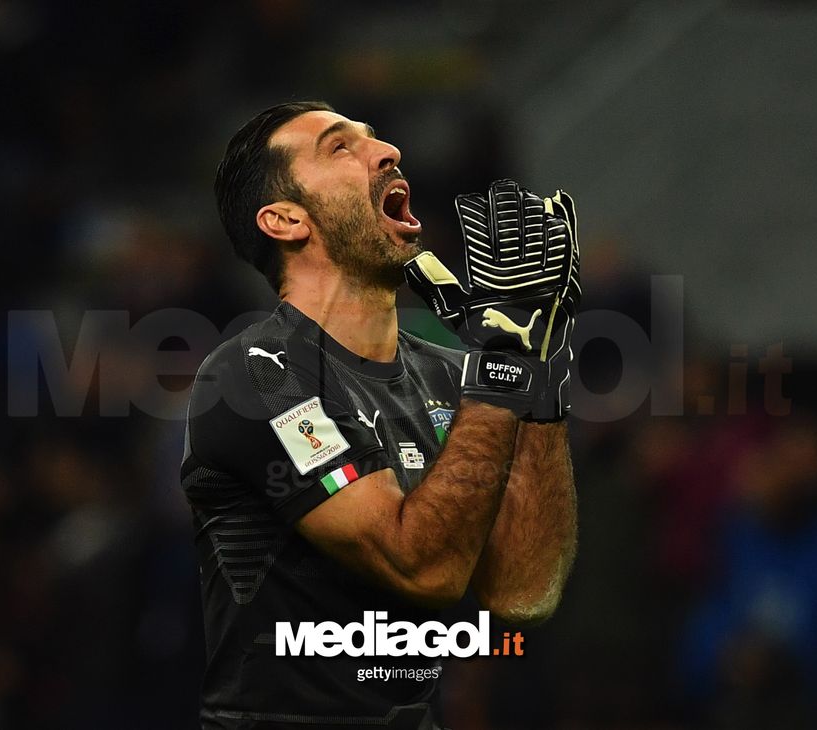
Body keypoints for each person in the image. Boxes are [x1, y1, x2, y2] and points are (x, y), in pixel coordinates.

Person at [181, 100, 580, 729]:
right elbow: (420, 568)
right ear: (285, 219)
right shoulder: (254, 374)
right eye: (340, 146)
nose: (389, 151)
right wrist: (500, 366)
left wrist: (539, 374)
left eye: (375, 137)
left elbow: (523, 592)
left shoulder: (457, 378)